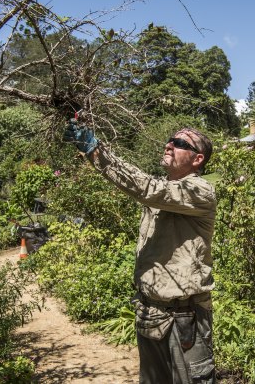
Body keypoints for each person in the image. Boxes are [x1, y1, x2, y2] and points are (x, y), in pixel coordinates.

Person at [64, 119, 216, 383]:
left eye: (179, 143)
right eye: (170, 139)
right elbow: (148, 189)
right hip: (150, 312)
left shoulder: (199, 191)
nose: (169, 144)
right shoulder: (163, 190)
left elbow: (145, 188)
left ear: (197, 158)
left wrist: (94, 149)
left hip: (184, 318)